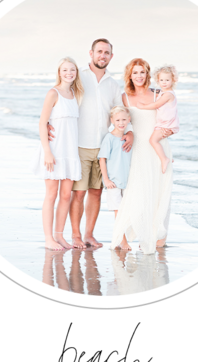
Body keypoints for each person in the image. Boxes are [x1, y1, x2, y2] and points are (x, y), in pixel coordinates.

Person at [47, 39, 134, 249]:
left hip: (104, 147)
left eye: (106, 53)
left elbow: (120, 113)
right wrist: (48, 122)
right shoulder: (79, 77)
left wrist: (130, 132)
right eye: (99, 52)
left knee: (96, 192)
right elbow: (60, 98)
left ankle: (88, 235)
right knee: (79, 193)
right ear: (91, 53)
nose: (102, 56)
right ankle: (75, 235)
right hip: (78, 145)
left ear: (111, 57)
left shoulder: (113, 84)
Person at [110, 58, 177, 254]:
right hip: (137, 149)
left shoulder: (159, 93)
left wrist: (170, 132)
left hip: (158, 147)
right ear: (129, 76)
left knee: (160, 190)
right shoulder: (125, 98)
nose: (139, 76)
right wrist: (128, 134)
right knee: (139, 190)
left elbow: (171, 117)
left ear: (148, 74)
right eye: (135, 73)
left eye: (142, 72)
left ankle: (159, 236)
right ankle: (142, 232)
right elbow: (120, 122)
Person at [33, 57, 84, 251]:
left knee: (65, 196)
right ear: (59, 72)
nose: (69, 73)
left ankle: (60, 236)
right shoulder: (53, 93)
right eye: (65, 70)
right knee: (51, 194)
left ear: (76, 73)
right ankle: (48, 238)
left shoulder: (75, 93)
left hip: (70, 151)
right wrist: (47, 151)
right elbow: (42, 123)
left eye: (72, 70)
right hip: (54, 150)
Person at [98, 106, 133, 250]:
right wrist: (106, 180)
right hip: (113, 182)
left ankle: (124, 238)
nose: (121, 122)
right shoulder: (109, 138)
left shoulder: (129, 139)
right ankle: (122, 240)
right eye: (118, 120)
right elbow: (102, 159)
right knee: (118, 212)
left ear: (128, 120)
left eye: (124, 119)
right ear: (112, 120)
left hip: (128, 181)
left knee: (127, 210)